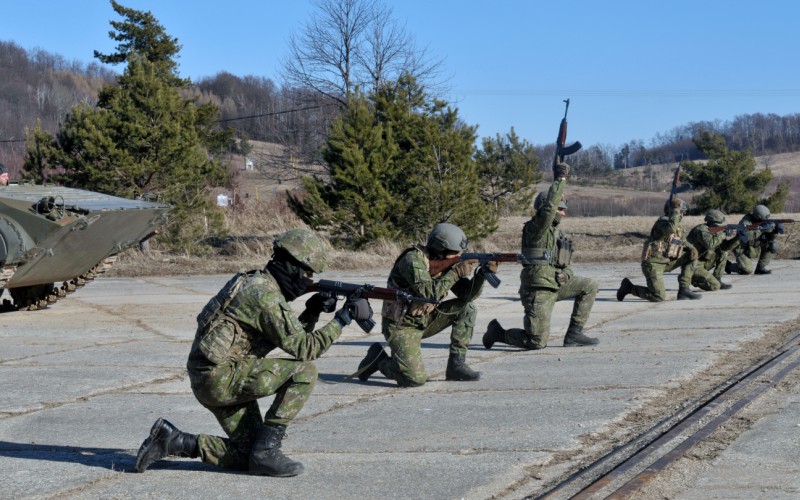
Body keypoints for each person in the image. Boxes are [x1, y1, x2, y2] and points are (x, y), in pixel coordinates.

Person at [135, 228, 373, 477]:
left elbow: (289, 338)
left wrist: (312, 311)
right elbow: (306, 349)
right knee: (304, 372)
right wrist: (343, 318)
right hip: (222, 379)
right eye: (306, 273)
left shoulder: (252, 282)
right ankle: (268, 451)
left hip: (212, 377)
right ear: (291, 266)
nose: (307, 280)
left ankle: (174, 441)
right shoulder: (265, 297)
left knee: (246, 456)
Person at [356, 222, 490, 387]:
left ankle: (456, 365)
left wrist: (482, 275)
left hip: (425, 320)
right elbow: (429, 294)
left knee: (467, 308)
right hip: (401, 326)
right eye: (454, 253)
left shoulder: (443, 264)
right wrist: (456, 272)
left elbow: (467, 295)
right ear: (441, 250)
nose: (457, 257)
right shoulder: (412, 260)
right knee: (413, 379)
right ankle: (379, 360)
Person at [482, 162, 599, 350]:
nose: (563, 213)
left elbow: (566, 264)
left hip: (555, 284)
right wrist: (560, 180)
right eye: (560, 209)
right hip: (538, 289)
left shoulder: (557, 233)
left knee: (590, 286)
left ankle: (574, 334)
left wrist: (566, 275)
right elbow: (548, 210)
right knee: (537, 342)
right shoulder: (536, 228)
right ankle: (498, 333)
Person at [617, 197, 702, 301]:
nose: (682, 215)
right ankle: (629, 288)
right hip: (654, 264)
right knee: (658, 297)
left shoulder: (677, 226)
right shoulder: (662, 222)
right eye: (681, 212)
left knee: (692, 255)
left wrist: (692, 248)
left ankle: (684, 289)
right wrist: (675, 210)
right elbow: (670, 229)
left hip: (667, 261)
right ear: (673, 212)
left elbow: (683, 241)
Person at [686, 209, 736, 291]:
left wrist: (738, 237)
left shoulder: (714, 231)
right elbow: (710, 244)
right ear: (713, 222)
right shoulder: (701, 230)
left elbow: (726, 246)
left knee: (723, 251)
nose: (721, 227)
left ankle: (718, 278)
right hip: (693, 265)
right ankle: (695, 279)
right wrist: (724, 234)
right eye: (719, 225)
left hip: (703, 261)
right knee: (715, 286)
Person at [725, 204, 782, 275]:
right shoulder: (745, 222)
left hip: (755, 245)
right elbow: (747, 236)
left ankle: (760, 268)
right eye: (763, 220)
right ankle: (728, 266)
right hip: (743, 248)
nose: (765, 221)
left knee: (772, 245)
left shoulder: (763, 222)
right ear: (758, 217)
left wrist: (775, 231)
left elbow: (770, 238)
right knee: (747, 270)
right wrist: (761, 230)